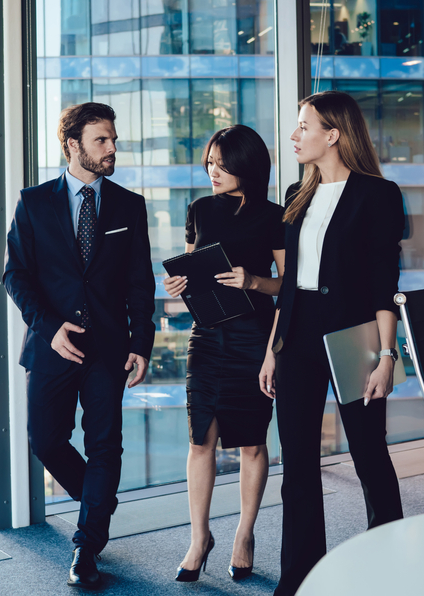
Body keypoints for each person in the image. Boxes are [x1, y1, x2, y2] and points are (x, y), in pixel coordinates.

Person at [3, 102, 156, 590]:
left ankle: (86, 547)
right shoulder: (33, 202)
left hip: (109, 348)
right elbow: (16, 276)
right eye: (101, 140)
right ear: (73, 145)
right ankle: (99, 499)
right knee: (45, 440)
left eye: (113, 139)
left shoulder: (129, 205)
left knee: (105, 443)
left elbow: (139, 282)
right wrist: (50, 327)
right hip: (52, 344)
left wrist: (142, 341)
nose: (113, 148)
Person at [259, 91, 406, 595]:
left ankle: (387, 564)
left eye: (304, 126)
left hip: (353, 334)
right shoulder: (296, 197)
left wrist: (387, 357)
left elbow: (385, 283)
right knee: (296, 462)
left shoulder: (378, 194)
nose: (295, 135)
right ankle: (299, 575)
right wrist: (271, 351)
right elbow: (290, 283)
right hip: (296, 334)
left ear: (334, 134)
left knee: (369, 454)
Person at [163, 125, 285, 583]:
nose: (212, 172)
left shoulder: (275, 216)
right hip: (207, 336)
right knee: (200, 440)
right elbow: (194, 266)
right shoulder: (198, 209)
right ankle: (199, 538)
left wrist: (252, 282)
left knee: (252, 442)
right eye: (209, 163)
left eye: (221, 164)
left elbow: (289, 288)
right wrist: (179, 286)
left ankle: (244, 534)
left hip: (256, 338)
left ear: (246, 165)